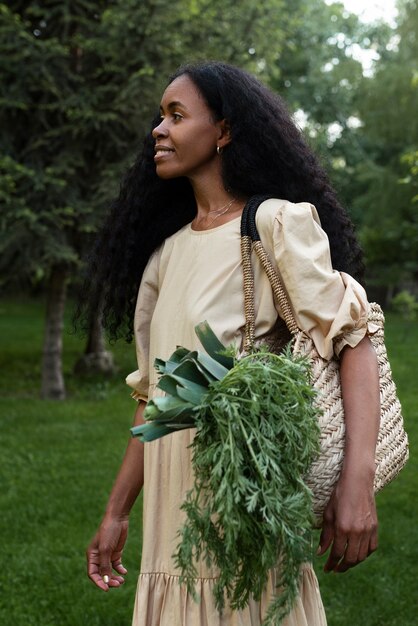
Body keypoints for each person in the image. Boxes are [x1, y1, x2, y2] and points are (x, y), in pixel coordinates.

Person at [84, 61, 380, 626]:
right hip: (173, 516)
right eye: (159, 117)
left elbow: (353, 340)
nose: (159, 129)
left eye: (176, 115)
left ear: (223, 131)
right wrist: (117, 512)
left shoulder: (273, 224)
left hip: (245, 503)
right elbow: (160, 399)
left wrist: (356, 485)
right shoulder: (165, 257)